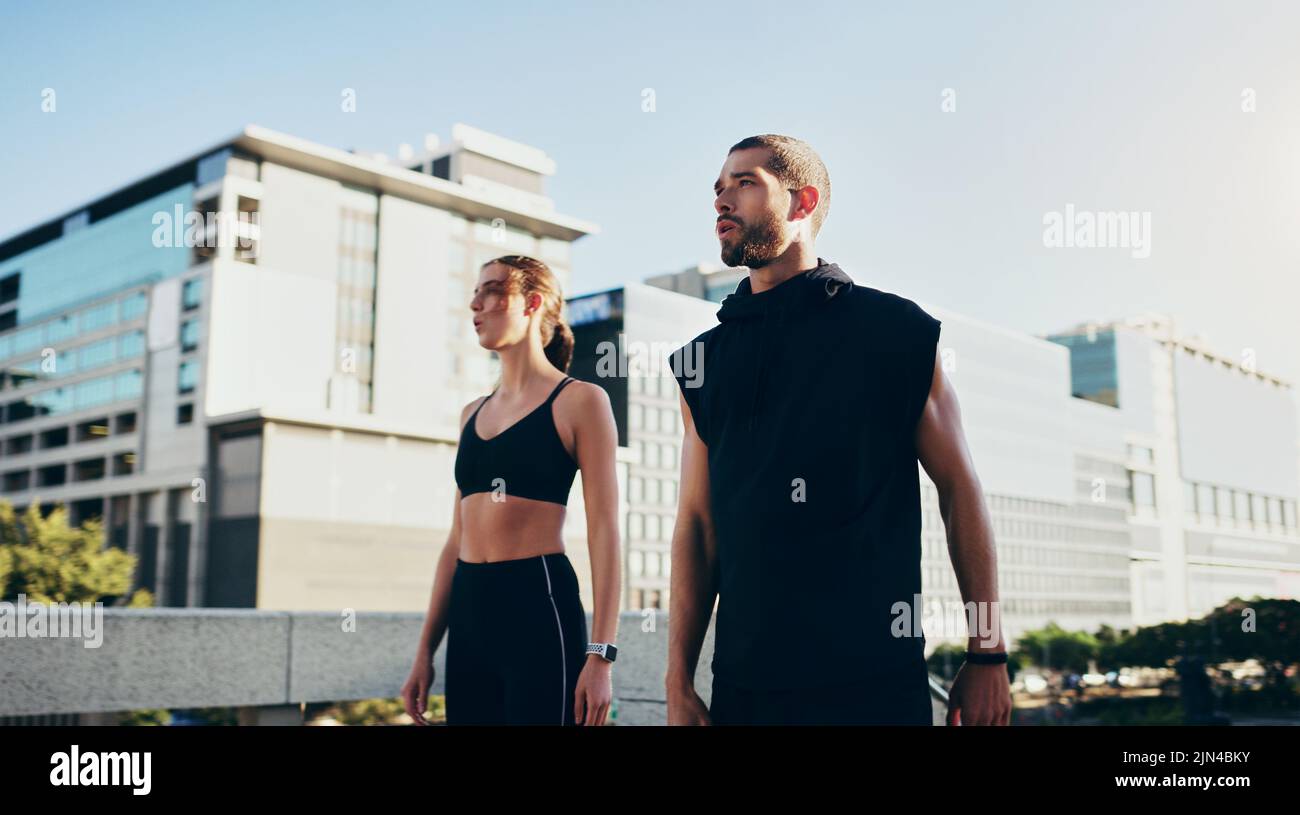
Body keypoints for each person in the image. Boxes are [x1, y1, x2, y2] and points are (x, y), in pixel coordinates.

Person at [665, 134, 1014, 726]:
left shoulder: (894, 332)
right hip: (746, 690)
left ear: (803, 203)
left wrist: (988, 653)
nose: (722, 201)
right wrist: (678, 682)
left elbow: (960, 490)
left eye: (745, 183)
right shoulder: (702, 362)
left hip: (874, 684)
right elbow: (697, 527)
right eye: (718, 189)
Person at [401, 255, 622, 726]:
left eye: (492, 290)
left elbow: (605, 532)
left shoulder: (580, 401)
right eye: (475, 291)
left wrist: (601, 656)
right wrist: (425, 651)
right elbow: (455, 539)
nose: (475, 303)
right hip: (469, 611)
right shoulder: (471, 413)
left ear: (532, 303)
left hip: (537, 603)